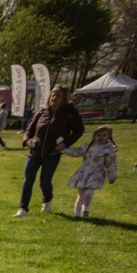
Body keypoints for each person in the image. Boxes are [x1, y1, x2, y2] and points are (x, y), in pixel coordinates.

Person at [14, 85, 84, 218]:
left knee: (44, 181)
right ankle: (23, 209)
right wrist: (27, 140)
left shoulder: (70, 113)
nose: (54, 98)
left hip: (52, 154)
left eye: (58, 96)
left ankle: (47, 201)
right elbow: (29, 129)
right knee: (28, 180)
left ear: (64, 98)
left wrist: (65, 144)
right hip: (34, 152)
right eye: (53, 95)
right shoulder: (42, 112)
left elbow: (79, 130)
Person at [63, 125, 118, 218]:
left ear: (109, 137)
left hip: (96, 174)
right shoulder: (88, 146)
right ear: (94, 136)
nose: (101, 137)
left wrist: (112, 176)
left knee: (88, 193)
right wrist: (62, 150)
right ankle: (76, 214)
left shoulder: (109, 150)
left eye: (104, 135)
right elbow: (76, 152)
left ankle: (86, 210)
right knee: (80, 195)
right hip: (83, 173)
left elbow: (111, 164)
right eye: (98, 135)